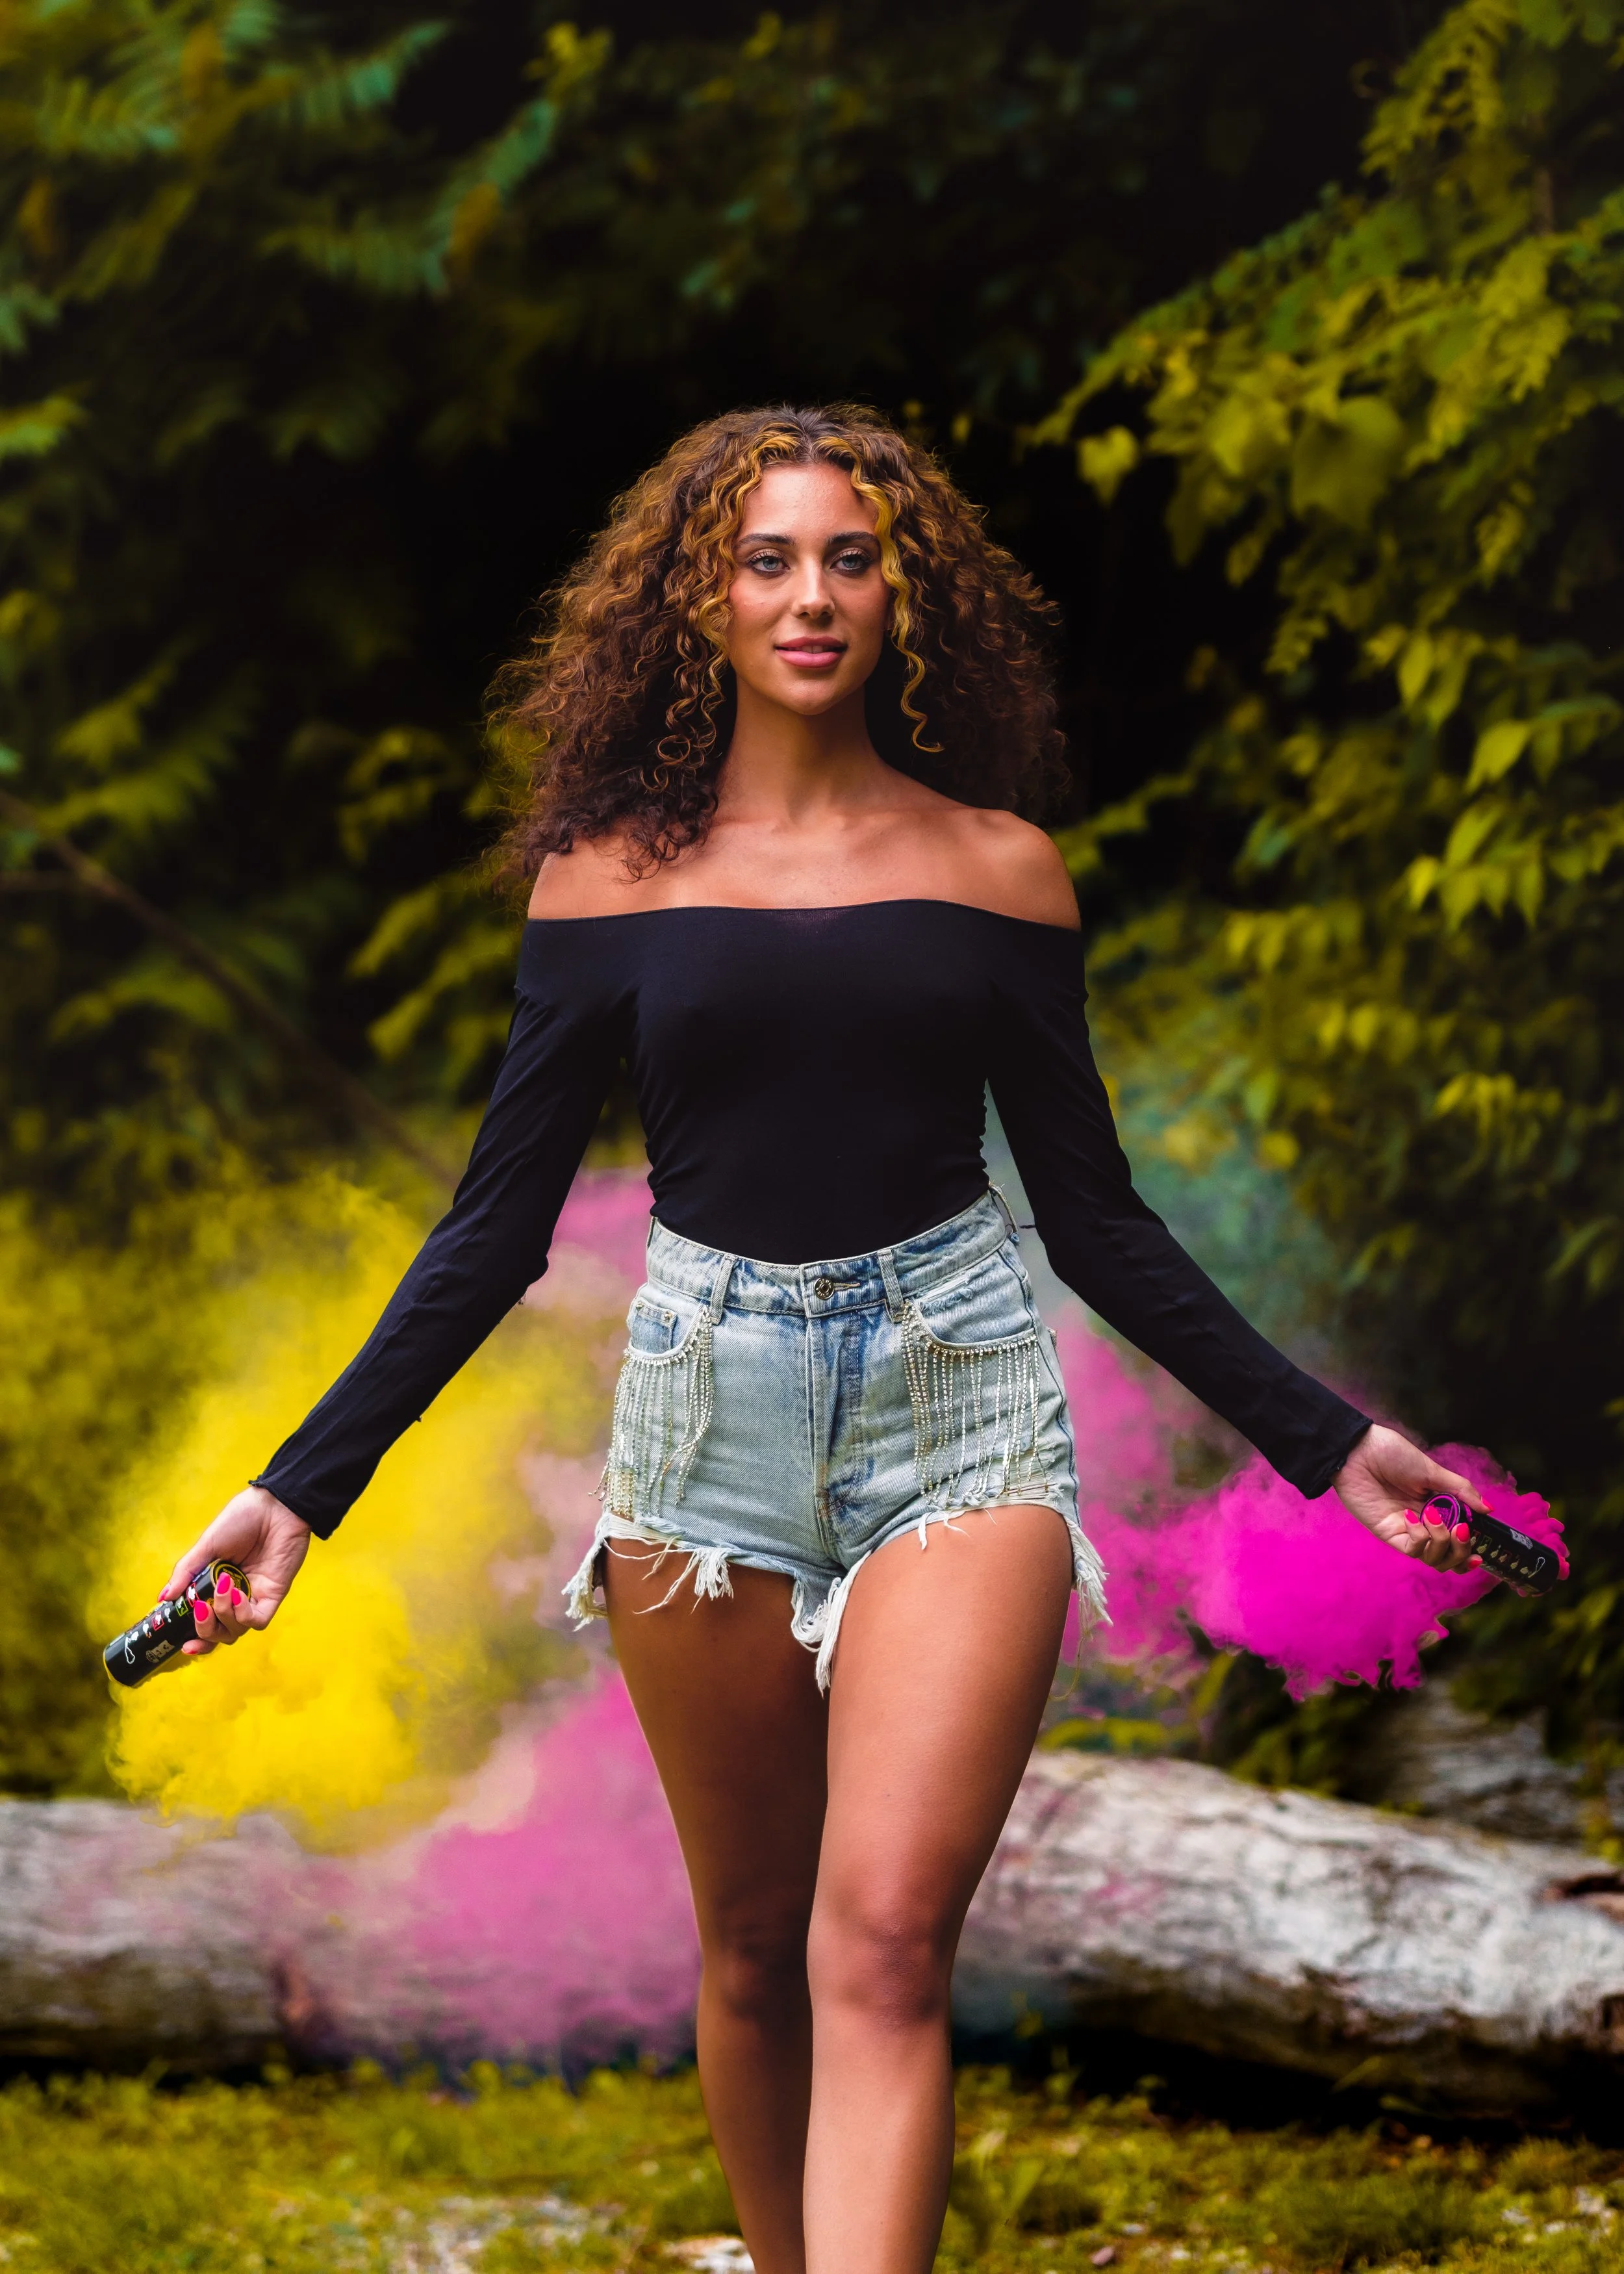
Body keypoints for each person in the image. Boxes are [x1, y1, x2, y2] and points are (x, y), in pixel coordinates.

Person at [166, 404, 1486, 2274]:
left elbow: (1096, 1220)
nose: (809, 593)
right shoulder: (606, 877)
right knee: (752, 1944)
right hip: (704, 1416)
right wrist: (298, 1488)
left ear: (903, 591)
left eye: (848, 556)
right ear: (698, 596)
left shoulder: (999, 867)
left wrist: (1325, 1439)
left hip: (958, 1398)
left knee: (878, 1936)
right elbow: (493, 1225)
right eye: (766, 557)